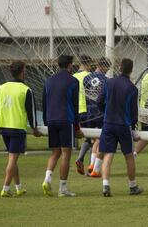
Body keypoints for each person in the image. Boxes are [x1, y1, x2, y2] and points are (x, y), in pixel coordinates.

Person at [98, 58, 143, 197]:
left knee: (108, 154)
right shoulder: (132, 88)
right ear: (131, 70)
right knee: (129, 155)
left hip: (108, 123)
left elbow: (99, 101)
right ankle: (132, 186)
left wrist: (105, 112)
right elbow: (134, 112)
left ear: (119, 67)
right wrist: (134, 127)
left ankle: (106, 185)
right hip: (124, 125)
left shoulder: (109, 82)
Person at [0, 61, 40, 197]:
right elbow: (31, 112)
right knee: (12, 160)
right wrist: (34, 128)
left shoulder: (2, 87)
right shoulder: (26, 90)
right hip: (17, 128)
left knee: (12, 158)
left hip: (4, 126)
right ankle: (5, 188)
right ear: (22, 71)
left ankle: (18, 187)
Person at [42, 55, 82, 197]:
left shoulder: (48, 81)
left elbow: (44, 103)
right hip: (66, 120)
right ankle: (62, 188)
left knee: (55, 152)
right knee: (66, 153)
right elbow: (75, 105)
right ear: (70, 65)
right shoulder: (73, 81)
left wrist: (46, 121)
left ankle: (47, 179)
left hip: (51, 120)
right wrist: (77, 128)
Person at [82, 57, 111, 177]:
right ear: (103, 66)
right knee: (100, 140)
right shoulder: (106, 80)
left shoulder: (86, 78)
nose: (107, 71)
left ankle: (91, 165)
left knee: (93, 140)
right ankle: (93, 166)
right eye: (107, 68)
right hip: (100, 113)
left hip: (89, 112)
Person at [74, 55, 93, 172]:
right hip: (88, 110)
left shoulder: (73, 76)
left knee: (89, 138)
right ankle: (91, 167)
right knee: (94, 138)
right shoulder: (90, 76)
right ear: (89, 64)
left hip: (77, 111)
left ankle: (80, 159)